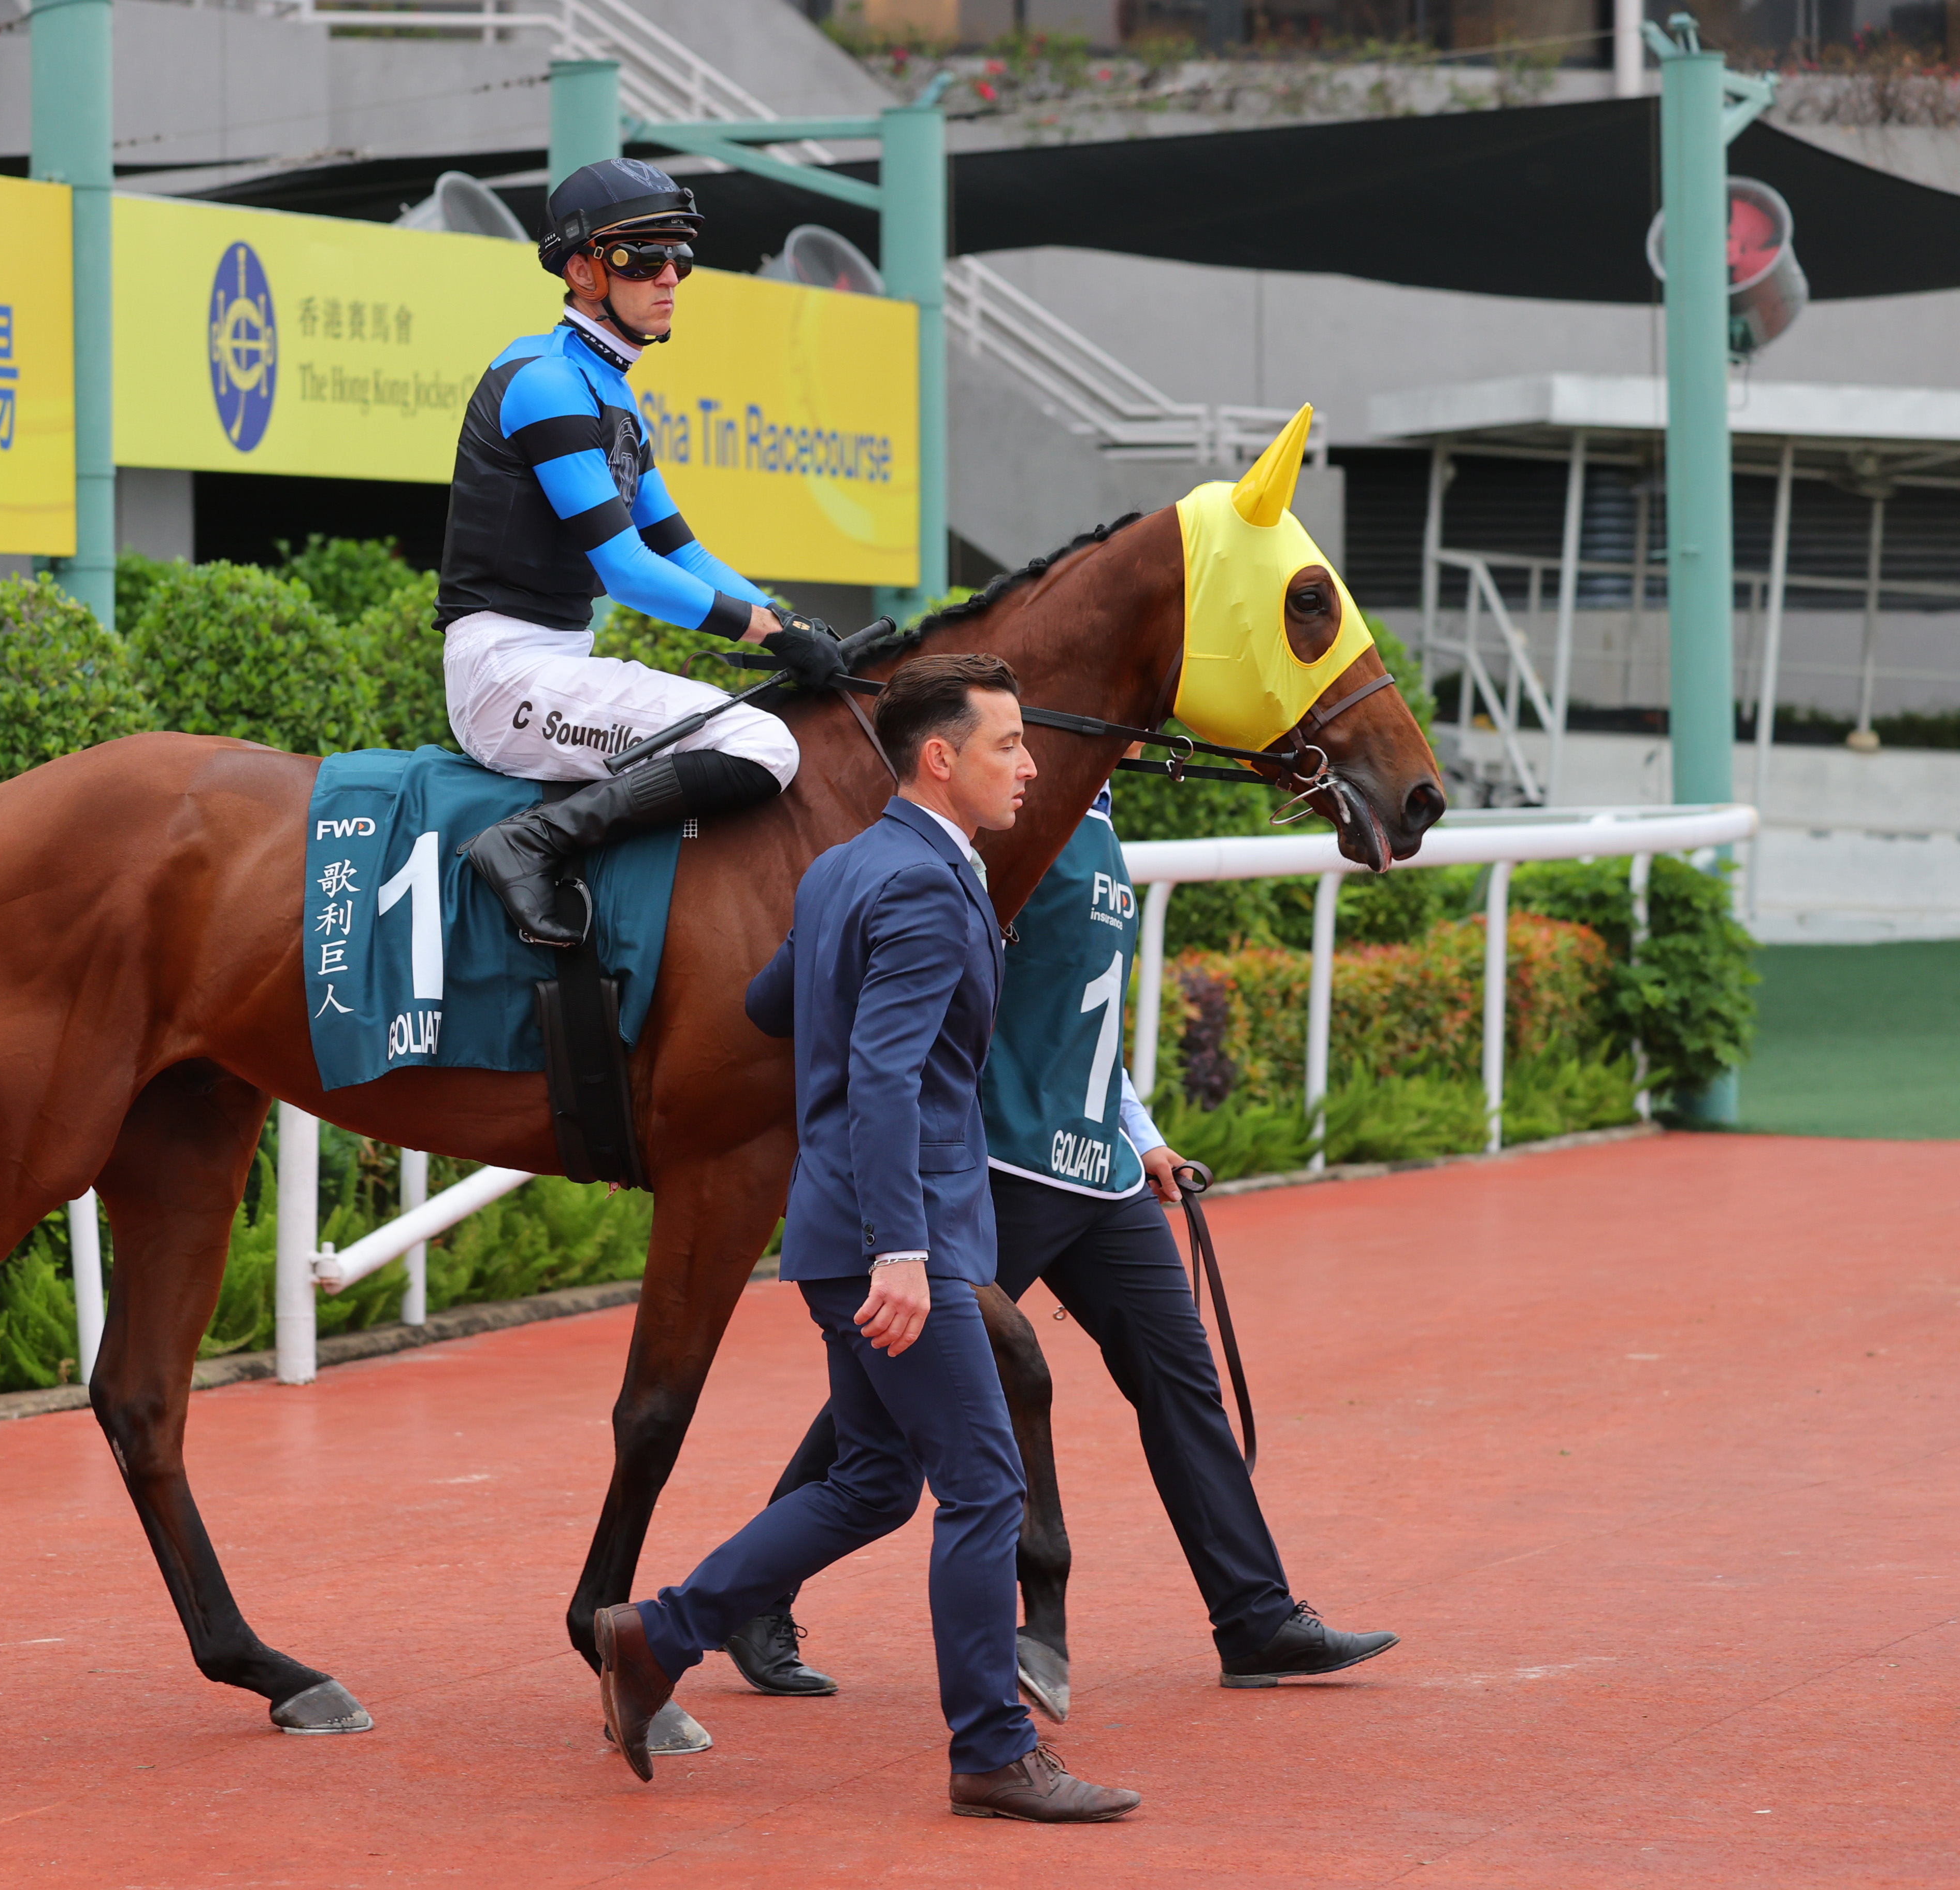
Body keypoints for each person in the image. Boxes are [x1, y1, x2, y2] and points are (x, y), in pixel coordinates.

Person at [722, 750, 1399, 1710]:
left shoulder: (1099, 814)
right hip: (1000, 1163)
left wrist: (1142, 1135)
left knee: (1181, 1377)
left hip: (1101, 1170)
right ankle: (755, 1592)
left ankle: (1254, 1617)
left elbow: (1091, 1010)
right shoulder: (1002, 829)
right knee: (899, 1376)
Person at [591, 653, 1141, 1824]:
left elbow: (769, 1007)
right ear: (941, 759)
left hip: (840, 1227)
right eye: (1008, 746)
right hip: (905, 1241)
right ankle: (992, 1751)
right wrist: (906, 1250)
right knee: (987, 1489)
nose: (1033, 765)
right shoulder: (933, 890)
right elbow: (887, 1075)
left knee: (876, 1482)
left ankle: (658, 1635)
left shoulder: (845, 868)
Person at [434, 156, 849, 948]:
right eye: (643, 259)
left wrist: (791, 621)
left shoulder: (612, 390)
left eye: (679, 260)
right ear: (585, 269)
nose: (669, 278)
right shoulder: (547, 381)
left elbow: (683, 554)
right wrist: (763, 635)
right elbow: (626, 571)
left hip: (556, 662)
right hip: (504, 676)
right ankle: (529, 842)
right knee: (760, 743)